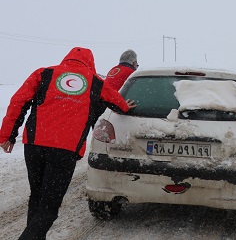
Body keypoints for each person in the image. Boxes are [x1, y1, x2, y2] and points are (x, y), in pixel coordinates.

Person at [0, 47, 135, 240]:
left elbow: (18, 101)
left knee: (37, 197)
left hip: (34, 146)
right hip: (64, 150)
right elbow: (118, 102)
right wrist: (125, 106)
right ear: (90, 63)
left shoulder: (44, 73)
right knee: (48, 207)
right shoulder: (95, 82)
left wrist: (7, 135)